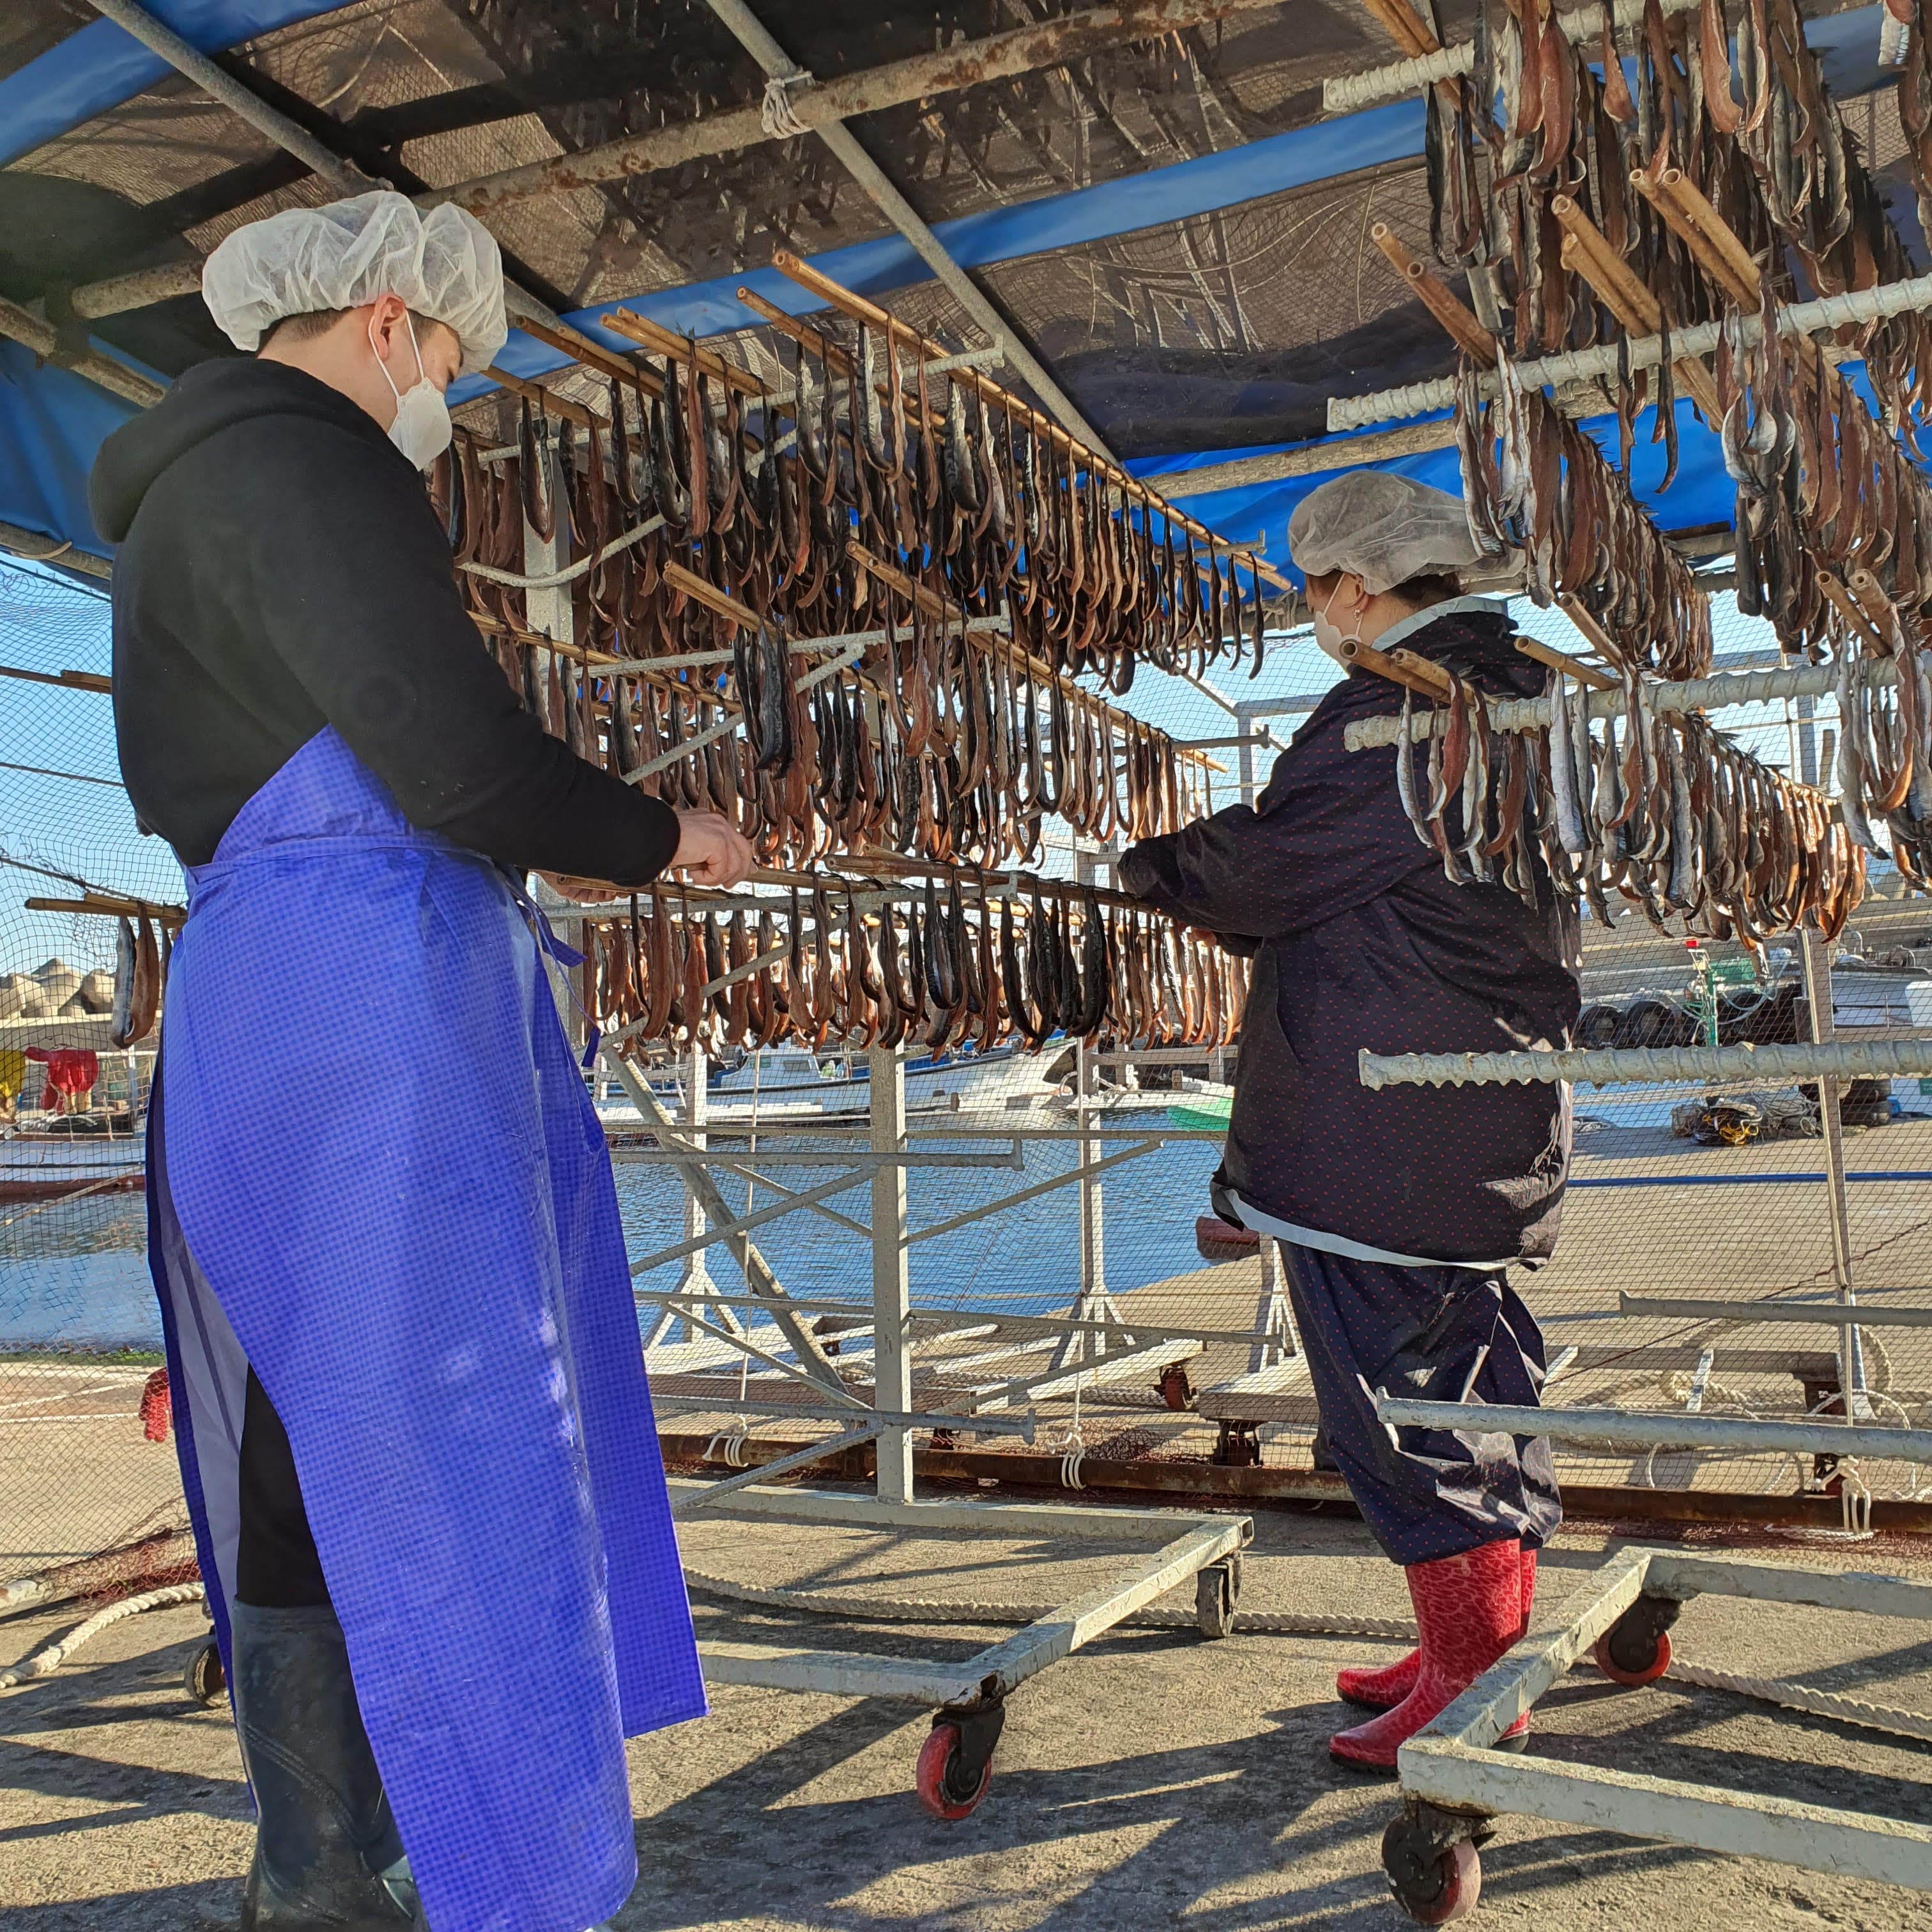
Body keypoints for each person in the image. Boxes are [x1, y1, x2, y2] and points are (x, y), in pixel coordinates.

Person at [88, 192, 754, 1932]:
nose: (441, 396)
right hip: (367, 991)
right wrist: (661, 834)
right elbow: (457, 765)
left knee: (309, 1430)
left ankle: (324, 1863)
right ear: (386, 321)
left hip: (258, 988)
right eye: (447, 357)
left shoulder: (177, 504)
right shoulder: (315, 464)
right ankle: (468, 1866)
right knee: (464, 1416)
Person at [1119, 471, 1579, 1772]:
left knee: (1404, 1406)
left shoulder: (1401, 705)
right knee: (1476, 1383)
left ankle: (1472, 1678)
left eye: (1315, 587)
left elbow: (1275, 864)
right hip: (1467, 1117)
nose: (1313, 612)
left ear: (1359, 586)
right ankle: (1472, 1646)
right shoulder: (1514, 689)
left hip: (1387, 1133)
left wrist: (1148, 870)